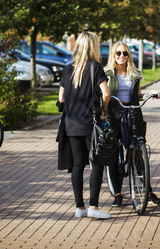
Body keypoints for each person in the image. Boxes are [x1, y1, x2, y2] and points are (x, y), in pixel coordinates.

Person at [58, 32, 111, 219]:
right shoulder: (95, 67)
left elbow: (61, 98)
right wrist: (102, 110)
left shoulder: (67, 69)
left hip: (71, 124)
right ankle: (94, 207)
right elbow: (106, 93)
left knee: (78, 165)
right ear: (93, 47)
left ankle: (79, 208)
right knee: (96, 164)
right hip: (90, 123)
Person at [104, 42, 160, 207]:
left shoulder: (134, 74)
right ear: (113, 55)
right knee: (114, 155)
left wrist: (151, 94)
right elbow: (102, 93)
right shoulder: (107, 74)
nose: (121, 56)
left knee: (138, 155)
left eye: (125, 53)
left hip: (133, 114)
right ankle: (118, 193)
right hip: (114, 116)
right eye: (118, 53)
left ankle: (148, 193)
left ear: (129, 56)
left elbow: (138, 95)